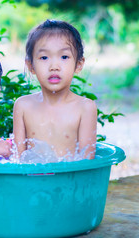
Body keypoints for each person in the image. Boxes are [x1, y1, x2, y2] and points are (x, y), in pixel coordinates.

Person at [13, 20, 97, 160]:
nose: (54, 66)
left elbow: (86, 162)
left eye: (64, 57)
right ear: (31, 66)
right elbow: (17, 160)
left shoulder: (85, 108)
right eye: (44, 57)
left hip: (69, 181)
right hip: (33, 181)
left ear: (78, 64)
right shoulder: (23, 106)